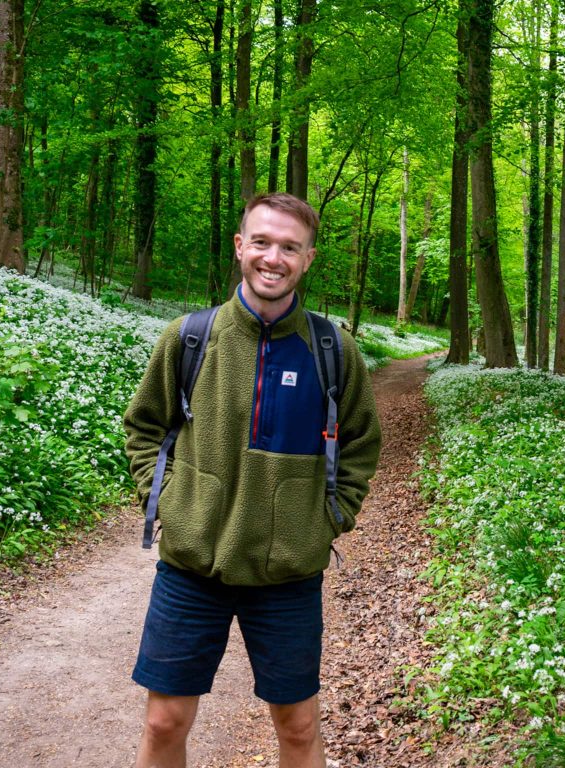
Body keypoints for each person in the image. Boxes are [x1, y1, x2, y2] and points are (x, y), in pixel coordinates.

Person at [123, 192, 382, 768]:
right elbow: (143, 425)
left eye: (289, 247)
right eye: (262, 242)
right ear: (241, 247)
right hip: (193, 568)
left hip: (288, 574)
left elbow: (363, 442)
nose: (274, 257)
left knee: (297, 727)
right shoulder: (189, 337)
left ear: (308, 258)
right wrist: (165, 499)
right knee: (164, 721)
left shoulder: (332, 349)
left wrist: (331, 517)